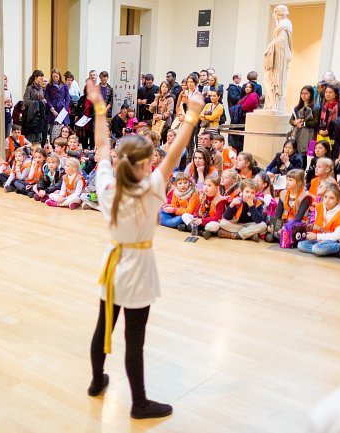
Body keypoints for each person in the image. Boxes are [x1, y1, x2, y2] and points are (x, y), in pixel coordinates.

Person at [86, 76, 204, 419]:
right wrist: (192, 114)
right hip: (136, 268)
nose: (154, 164)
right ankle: (138, 403)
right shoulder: (150, 188)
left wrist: (98, 105)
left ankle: (96, 381)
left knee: (102, 327)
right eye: (150, 161)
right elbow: (179, 148)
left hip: (113, 261)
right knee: (133, 340)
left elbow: (103, 142)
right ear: (141, 166)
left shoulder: (107, 183)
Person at [297, 183, 340, 258]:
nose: (327, 200)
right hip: (322, 239)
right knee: (301, 245)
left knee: (317, 248)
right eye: (325, 197)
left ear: (338, 200)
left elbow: (339, 236)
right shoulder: (319, 207)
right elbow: (320, 226)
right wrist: (311, 227)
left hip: (336, 241)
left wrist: (317, 236)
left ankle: (339, 249)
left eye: (331, 198)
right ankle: (337, 254)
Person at [266, 169, 312, 242]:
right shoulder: (283, 193)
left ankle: (279, 235)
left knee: (273, 235)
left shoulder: (305, 197)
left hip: (296, 225)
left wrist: (285, 228)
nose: (287, 182)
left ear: (299, 182)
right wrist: (274, 225)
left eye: (291, 180)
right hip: (283, 222)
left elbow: (298, 218)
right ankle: (278, 235)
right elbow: (278, 213)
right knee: (268, 219)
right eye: (287, 179)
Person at [262, 5, 292, 112]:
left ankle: (274, 104)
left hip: (279, 57)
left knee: (272, 80)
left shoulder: (284, 24)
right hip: (278, 56)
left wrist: (271, 45)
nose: (275, 15)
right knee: (268, 80)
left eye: (276, 13)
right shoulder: (283, 24)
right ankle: (271, 103)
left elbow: (282, 42)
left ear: (279, 13)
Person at [179, 174, 225, 239]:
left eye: (209, 185)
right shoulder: (202, 196)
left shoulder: (220, 200)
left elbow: (217, 218)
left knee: (213, 226)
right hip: (200, 220)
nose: (206, 187)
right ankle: (200, 231)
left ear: (216, 188)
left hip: (209, 222)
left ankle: (189, 228)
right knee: (185, 215)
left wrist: (202, 221)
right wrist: (195, 218)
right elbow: (196, 211)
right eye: (205, 184)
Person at [289, 85, 317, 159]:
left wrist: (302, 123)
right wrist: (295, 123)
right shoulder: (298, 107)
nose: (304, 96)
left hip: (310, 134)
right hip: (298, 133)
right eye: (302, 93)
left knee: (308, 155)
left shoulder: (315, 107)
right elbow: (291, 120)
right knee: (297, 153)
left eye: (306, 93)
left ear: (311, 94)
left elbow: (315, 123)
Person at [22, 70, 47, 144]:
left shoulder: (41, 88)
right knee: (31, 137)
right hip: (31, 116)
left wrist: (43, 101)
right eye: (40, 77)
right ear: (36, 77)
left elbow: (42, 99)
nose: (42, 78)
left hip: (40, 115)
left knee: (38, 137)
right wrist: (36, 102)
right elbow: (26, 101)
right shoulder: (29, 88)